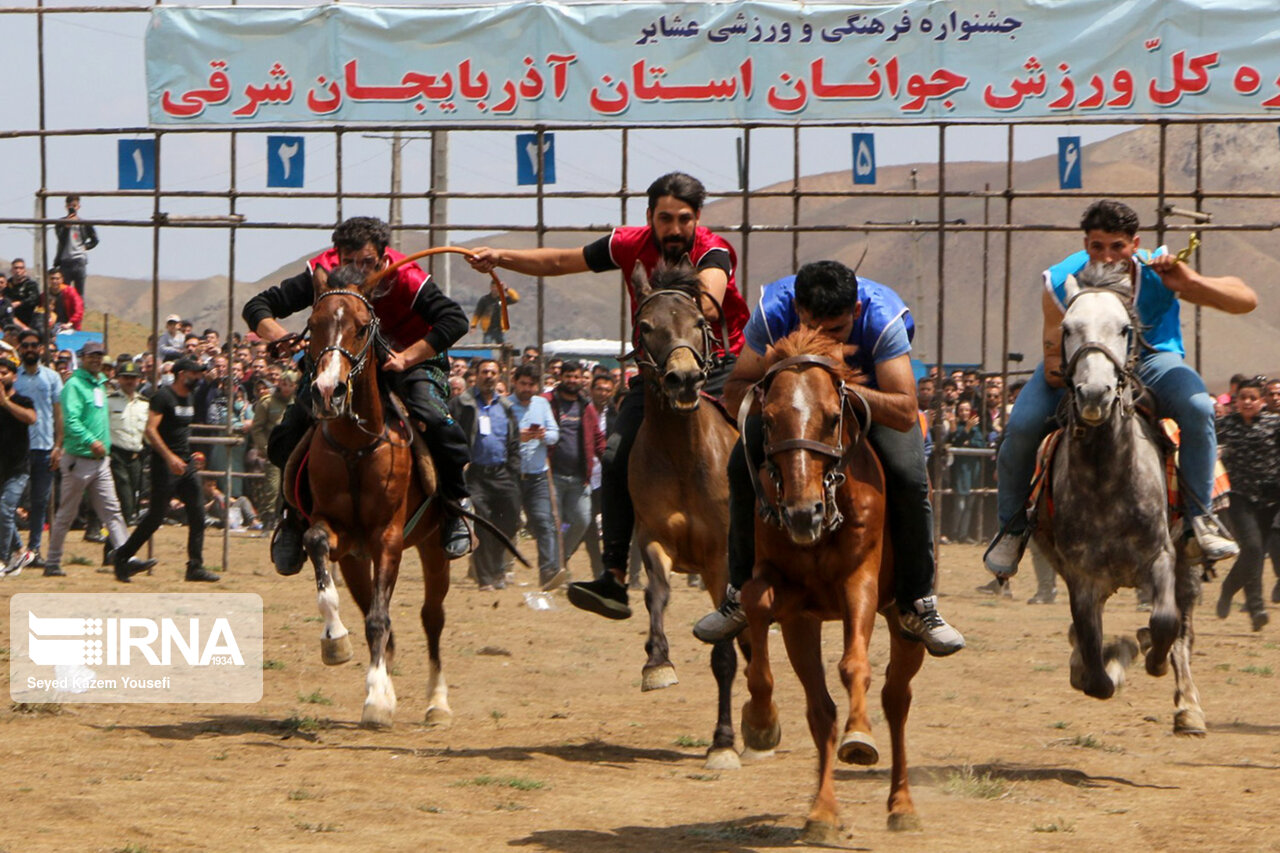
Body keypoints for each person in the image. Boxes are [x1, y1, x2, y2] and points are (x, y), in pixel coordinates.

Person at [466, 171, 750, 619]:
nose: (674, 228)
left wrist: (690, 306)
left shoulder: (713, 250)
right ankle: (614, 577)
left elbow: (710, 299)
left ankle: (771, 549)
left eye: (683, 219)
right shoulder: (627, 245)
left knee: (762, 444)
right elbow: (560, 261)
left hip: (717, 369)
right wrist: (500, 256)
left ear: (697, 219)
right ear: (649, 217)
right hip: (655, 374)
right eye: (664, 218)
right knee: (616, 455)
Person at [693, 260, 966, 656]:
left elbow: (906, 409)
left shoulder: (884, 317)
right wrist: (782, 400)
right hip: (792, 409)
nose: (825, 339)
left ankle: (919, 604)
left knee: (909, 476)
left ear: (856, 311)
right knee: (739, 467)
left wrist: (837, 392)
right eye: (812, 328)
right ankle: (737, 593)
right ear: (798, 312)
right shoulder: (771, 313)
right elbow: (735, 390)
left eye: (836, 330)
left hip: (869, 405)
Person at [984, 200, 1257, 578]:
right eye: (1097, 246)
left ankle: (1200, 522)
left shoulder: (1159, 268)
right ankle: (1011, 529)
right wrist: (1083, 377)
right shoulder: (1062, 280)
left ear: (1135, 243)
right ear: (1085, 244)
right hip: (1080, 367)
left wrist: (1189, 282)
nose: (1107, 256)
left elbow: (1246, 299)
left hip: (1152, 361)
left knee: (1198, 408)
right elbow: (1052, 360)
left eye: (1117, 246)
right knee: (1023, 426)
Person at [242, 216, 473, 573]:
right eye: (348, 263)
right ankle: (290, 520)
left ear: (383, 257)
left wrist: (408, 357)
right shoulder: (321, 273)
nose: (357, 272)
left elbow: (454, 319)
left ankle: (456, 507)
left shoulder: (408, 277)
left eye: (367, 263)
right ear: (337, 257)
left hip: (409, 357)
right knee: (286, 435)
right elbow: (257, 306)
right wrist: (280, 337)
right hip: (342, 363)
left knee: (433, 419)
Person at [41, 342, 156, 581]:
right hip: (79, 460)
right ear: (81, 357)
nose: (96, 359)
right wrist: (91, 440)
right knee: (67, 513)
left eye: (99, 356)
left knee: (113, 511)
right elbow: (71, 420)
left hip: (100, 461)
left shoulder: (101, 384)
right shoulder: (74, 385)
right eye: (91, 356)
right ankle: (52, 561)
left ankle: (127, 559)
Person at [110, 357, 219, 582]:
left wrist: (184, 460)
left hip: (185, 464)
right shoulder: (162, 397)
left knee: (198, 514)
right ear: (182, 374)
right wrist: (169, 458)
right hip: (165, 465)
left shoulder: (189, 396)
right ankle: (122, 557)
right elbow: (151, 430)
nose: (199, 377)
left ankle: (195, 567)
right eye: (195, 373)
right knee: (156, 517)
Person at [449, 359, 521, 590]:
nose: (489, 376)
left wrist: (513, 468)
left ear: (500, 376)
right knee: (482, 524)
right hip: (475, 474)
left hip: (502, 473)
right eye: (484, 372)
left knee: (510, 521)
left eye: (493, 372)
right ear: (477, 375)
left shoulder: (506, 407)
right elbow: (451, 434)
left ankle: (498, 567)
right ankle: (486, 578)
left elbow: (514, 441)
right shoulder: (462, 404)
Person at [1214, 377, 1278, 631]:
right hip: (1239, 497)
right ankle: (1230, 590)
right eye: (1243, 398)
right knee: (1252, 549)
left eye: (1253, 398)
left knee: (1257, 553)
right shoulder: (1225, 425)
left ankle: (1255, 608)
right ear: (1236, 401)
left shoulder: (1275, 424)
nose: (1248, 402)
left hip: (1271, 497)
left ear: (1262, 401)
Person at [508, 363, 563, 588]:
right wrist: (516, 437)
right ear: (515, 382)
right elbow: (498, 435)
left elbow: (555, 434)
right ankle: (498, 570)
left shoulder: (542, 404)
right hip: (511, 475)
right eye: (523, 384)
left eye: (532, 385)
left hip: (538, 476)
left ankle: (548, 572)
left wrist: (543, 435)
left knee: (544, 522)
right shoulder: (505, 404)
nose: (527, 388)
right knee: (507, 524)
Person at [12, 329, 62, 568]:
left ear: (41, 348)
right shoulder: (12, 378)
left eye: (34, 345)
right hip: (16, 448)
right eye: (26, 345)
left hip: (44, 448)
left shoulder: (52, 378)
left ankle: (34, 550)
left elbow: (59, 414)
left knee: (40, 501)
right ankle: (15, 547)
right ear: (19, 349)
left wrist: (58, 445)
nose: (30, 349)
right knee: (8, 501)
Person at [0, 356, 37, 576]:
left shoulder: (23, 401)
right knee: (2, 512)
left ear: (14, 376)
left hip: (18, 468)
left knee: (4, 509)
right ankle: (21, 551)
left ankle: (2, 559)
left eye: (4, 372)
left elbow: (31, 418)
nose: (0, 376)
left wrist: (5, 403)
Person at [248, 370, 296, 528]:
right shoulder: (267, 402)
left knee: (288, 487)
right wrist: (266, 448)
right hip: (274, 451)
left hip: (294, 451)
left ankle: (285, 520)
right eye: (283, 384)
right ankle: (267, 519)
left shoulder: (298, 402)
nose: (286, 388)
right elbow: (257, 428)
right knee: (272, 487)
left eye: (290, 384)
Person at [107, 360, 149, 525]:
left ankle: (121, 532)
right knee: (124, 495)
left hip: (137, 455)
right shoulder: (110, 401)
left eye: (133, 377)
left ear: (139, 379)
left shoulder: (145, 404)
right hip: (117, 454)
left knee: (134, 494)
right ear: (119, 379)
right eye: (126, 377)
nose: (130, 381)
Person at [54, 194, 99, 299]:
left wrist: (86, 247)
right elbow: (61, 239)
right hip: (65, 261)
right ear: (66, 207)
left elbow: (95, 240)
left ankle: (78, 315)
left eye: (74, 205)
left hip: (79, 261)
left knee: (79, 295)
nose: (72, 208)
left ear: (78, 206)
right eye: (70, 206)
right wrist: (67, 227)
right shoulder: (60, 223)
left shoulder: (84, 223)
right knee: (64, 294)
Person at [470, 280, 519, 345]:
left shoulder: (503, 299)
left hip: (500, 330)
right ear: (490, 287)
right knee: (486, 349)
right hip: (488, 330)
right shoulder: (485, 299)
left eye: (497, 287)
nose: (495, 289)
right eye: (493, 287)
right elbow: (477, 313)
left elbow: (516, 298)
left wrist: (506, 289)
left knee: (504, 349)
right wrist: (473, 326)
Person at [5, 260, 40, 329]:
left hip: (28, 319)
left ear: (24, 270)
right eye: (16, 268)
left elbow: (34, 299)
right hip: (10, 319)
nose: (18, 271)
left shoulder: (31, 285)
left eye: (21, 268)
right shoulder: (7, 285)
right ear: (11, 270)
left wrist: (20, 303)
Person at [47, 268, 84, 332]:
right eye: (52, 278)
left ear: (62, 279)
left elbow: (79, 309)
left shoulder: (70, 292)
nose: (54, 281)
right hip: (51, 328)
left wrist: (70, 323)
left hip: (69, 327)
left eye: (57, 279)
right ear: (48, 279)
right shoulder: (45, 295)